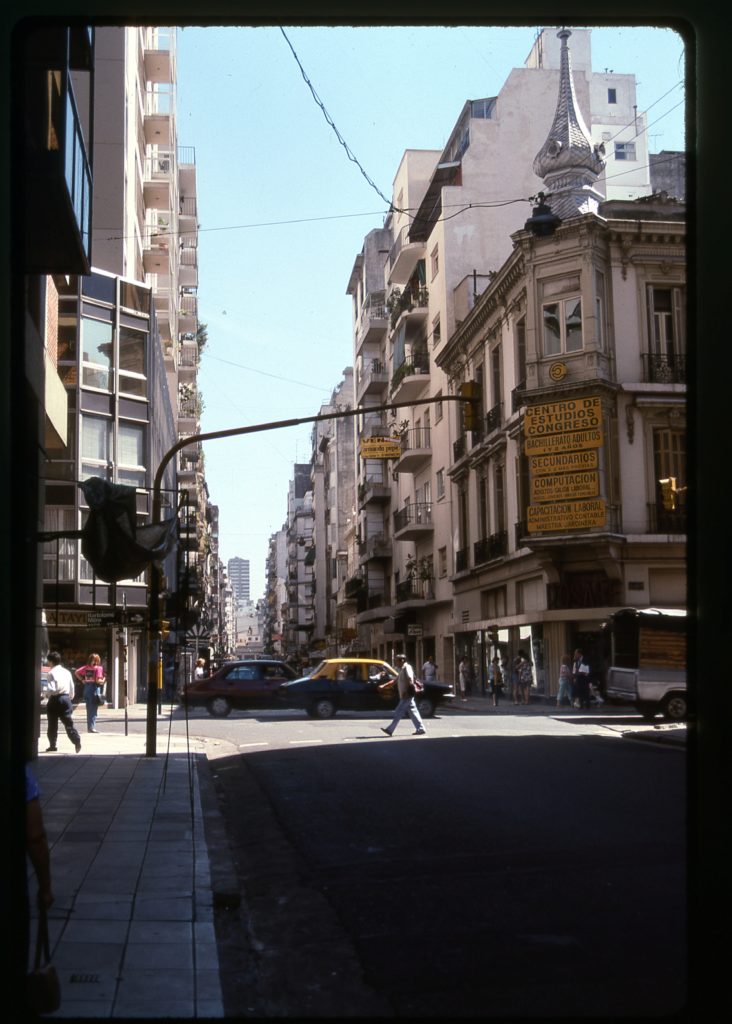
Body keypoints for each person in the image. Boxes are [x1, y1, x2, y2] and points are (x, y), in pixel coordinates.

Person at [380, 653, 426, 736]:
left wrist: (407, 692)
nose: (395, 662)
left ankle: (390, 729)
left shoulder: (407, 667)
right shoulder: (402, 669)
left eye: (397, 660)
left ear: (402, 660)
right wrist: (384, 686)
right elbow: (394, 681)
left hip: (407, 695)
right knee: (413, 712)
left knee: (398, 711)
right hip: (406, 695)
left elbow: (410, 679)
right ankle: (421, 728)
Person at [45, 651, 82, 752]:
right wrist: (69, 697)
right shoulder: (67, 672)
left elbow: (52, 689)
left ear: (51, 661)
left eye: (48, 661)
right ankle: (76, 740)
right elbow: (72, 687)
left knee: (52, 724)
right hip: (66, 699)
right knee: (68, 722)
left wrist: (45, 695)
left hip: (55, 699)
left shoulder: (51, 673)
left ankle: (52, 745)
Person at [74, 652, 105, 733]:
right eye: (95, 661)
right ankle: (91, 728)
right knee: (94, 709)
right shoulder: (99, 668)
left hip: (87, 688)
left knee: (89, 708)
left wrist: (82, 680)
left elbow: (76, 672)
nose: (95, 662)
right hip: (94, 688)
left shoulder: (86, 667)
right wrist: (104, 680)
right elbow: (98, 681)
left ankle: (90, 727)